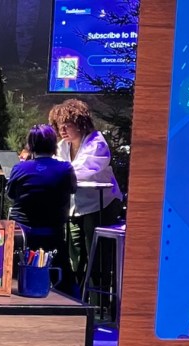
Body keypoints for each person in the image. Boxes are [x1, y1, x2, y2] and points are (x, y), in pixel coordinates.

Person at [48, 99, 123, 286]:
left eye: (67, 125)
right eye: (59, 126)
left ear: (81, 123)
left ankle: (98, 302)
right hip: (76, 206)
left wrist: (56, 172)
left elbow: (81, 170)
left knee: (95, 253)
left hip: (101, 204)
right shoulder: (62, 146)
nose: (62, 130)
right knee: (74, 252)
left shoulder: (96, 143)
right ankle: (75, 295)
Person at [6, 124, 77, 294]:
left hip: (22, 235)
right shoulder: (65, 169)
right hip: (53, 233)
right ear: (54, 145)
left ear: (30, 145)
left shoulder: (19, 168)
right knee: (65, 271)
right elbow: (72, 189)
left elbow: (10, 194)